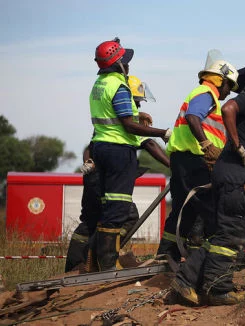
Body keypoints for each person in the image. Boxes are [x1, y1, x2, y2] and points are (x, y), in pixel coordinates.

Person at [171, 62, 245, 306]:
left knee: (225, 234)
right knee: (231, 234)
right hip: (235, 177)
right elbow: (228, 108)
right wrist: (236, 143)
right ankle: (217, 289)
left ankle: (187, 280)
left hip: (239, 176)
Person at [65, 75, 169, 272]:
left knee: (90, 220)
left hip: (94, 177)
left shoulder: (110, 123)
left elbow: (91, 145)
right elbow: (150, 144)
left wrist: (88, 162)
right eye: (136, 101)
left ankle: (78, 264)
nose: (137, 105)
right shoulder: (127, 124)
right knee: (124, 214)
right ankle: (101, 257)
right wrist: (172, 164)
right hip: (102, 179)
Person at [89, 38, 172, 271]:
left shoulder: (99, 85)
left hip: (101, 148)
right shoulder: (119, 86)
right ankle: (107, 265)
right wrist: (161, 132)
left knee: (109, 206)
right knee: (118, 208)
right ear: (117, 63)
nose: (128, 64)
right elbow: (128, 125)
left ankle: (100, 262)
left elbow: (113, 117)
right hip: (118, 151)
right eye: (125, 60)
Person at [156, 58, 238, 263]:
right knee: (211, 209)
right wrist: (206, 144)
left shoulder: (201, 94)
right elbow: (193, 117)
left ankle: (166, 256)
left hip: (184, 159)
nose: (229, 92)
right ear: (220, 81)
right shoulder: (206, 94)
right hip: (194, 160)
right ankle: (214, 261)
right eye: (229, 85)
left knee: (185, 212)